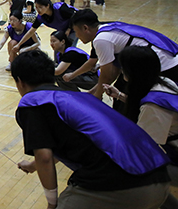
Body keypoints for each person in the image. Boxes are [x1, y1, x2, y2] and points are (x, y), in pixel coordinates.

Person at [13, 50, 170, 209]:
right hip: (159, 179)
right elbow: (75, 143)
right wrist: (32, 166)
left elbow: (44, 157)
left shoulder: (33, 102)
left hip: (122, 184)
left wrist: (52, 203)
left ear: (20, 81)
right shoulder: (81, 98)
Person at [103, 46, 178, 208]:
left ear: (132, 71)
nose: (121, 70)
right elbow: (145, 105)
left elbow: (146, 147)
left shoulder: (153, 107)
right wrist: (119, 96)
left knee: (137, 177)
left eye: (123, 66)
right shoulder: (164, 82)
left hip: (175, 159)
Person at [70, 9, 178, 101]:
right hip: (170, 58)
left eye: (76, 31)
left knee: (139, 101)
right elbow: (114, 71)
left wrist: (97, 96)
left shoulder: (101, 40)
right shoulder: (109, 28)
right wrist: (93, 92)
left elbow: (106, 74)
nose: (77, 36)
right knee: (121, 89)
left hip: (165, 65)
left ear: (85, 28)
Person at [13, 0, 77, 54]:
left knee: (68, 50)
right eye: (36, 7)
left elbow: (75, 15)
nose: (38, 10)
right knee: (57, 47)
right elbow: (31, 32)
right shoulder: (40, 17)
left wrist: (69, 29)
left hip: (76, 26)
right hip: (62, 30)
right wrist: (18, 45)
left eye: (40, 7)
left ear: (47, 6)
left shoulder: (60, 8)